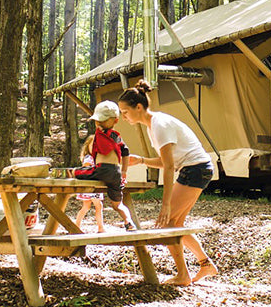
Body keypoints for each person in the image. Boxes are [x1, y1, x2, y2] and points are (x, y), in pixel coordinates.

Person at [117, 80, 217, 285]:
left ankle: (183, 276)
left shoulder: (159, 125)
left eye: (125, 112)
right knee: (176, 224)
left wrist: (166, 204)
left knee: (169, 223)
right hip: (197, 168)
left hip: (195, 169)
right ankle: (205, 264)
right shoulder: (152, 125)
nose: (123, 117)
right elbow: (166, 162)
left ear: (138, 107)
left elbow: (170, 167)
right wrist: (142, 160)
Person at [73, 101, 137, 231]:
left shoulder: (104, 134)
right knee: (117, 205)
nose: (99, 124)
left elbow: (125, 152)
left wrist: (125, 170)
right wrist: (123, 171)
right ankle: (128, 222)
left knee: (82, 173)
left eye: (102, 121)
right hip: (115, 173)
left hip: (103, 169)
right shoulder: (115, 136)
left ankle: (72, 172)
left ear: (115, 121)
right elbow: (125, 151)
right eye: (97, 121)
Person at [74, 139, 106, 233]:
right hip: (91, 186)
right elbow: (85, 169)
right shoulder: (89, 158)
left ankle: (77, 226)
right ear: (88, 147)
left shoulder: (99, 158)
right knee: (97, 205)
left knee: (87, 206)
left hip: (93, 186)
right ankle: (100, 228)